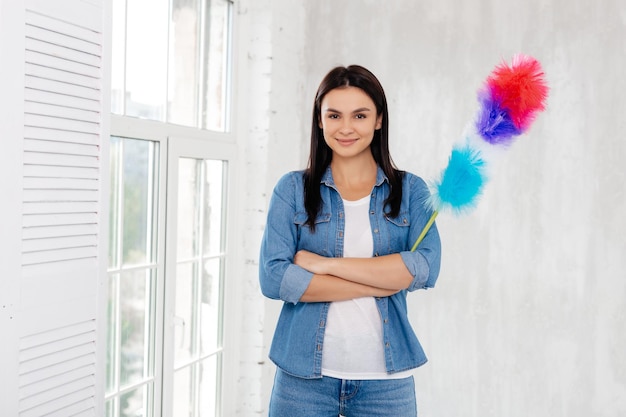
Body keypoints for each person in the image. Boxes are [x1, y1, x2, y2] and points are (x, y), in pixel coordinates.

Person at [259, 64, 442, 417]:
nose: (345, 128)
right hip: (302, 382)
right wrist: (382, 280)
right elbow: (274, 278)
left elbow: (424, 268)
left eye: (359, 115)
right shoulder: (292, 190)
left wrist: (326, 266)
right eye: (334, 115)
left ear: (378, 120)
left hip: (387, 384)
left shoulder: (412, 192)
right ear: (319, 120)